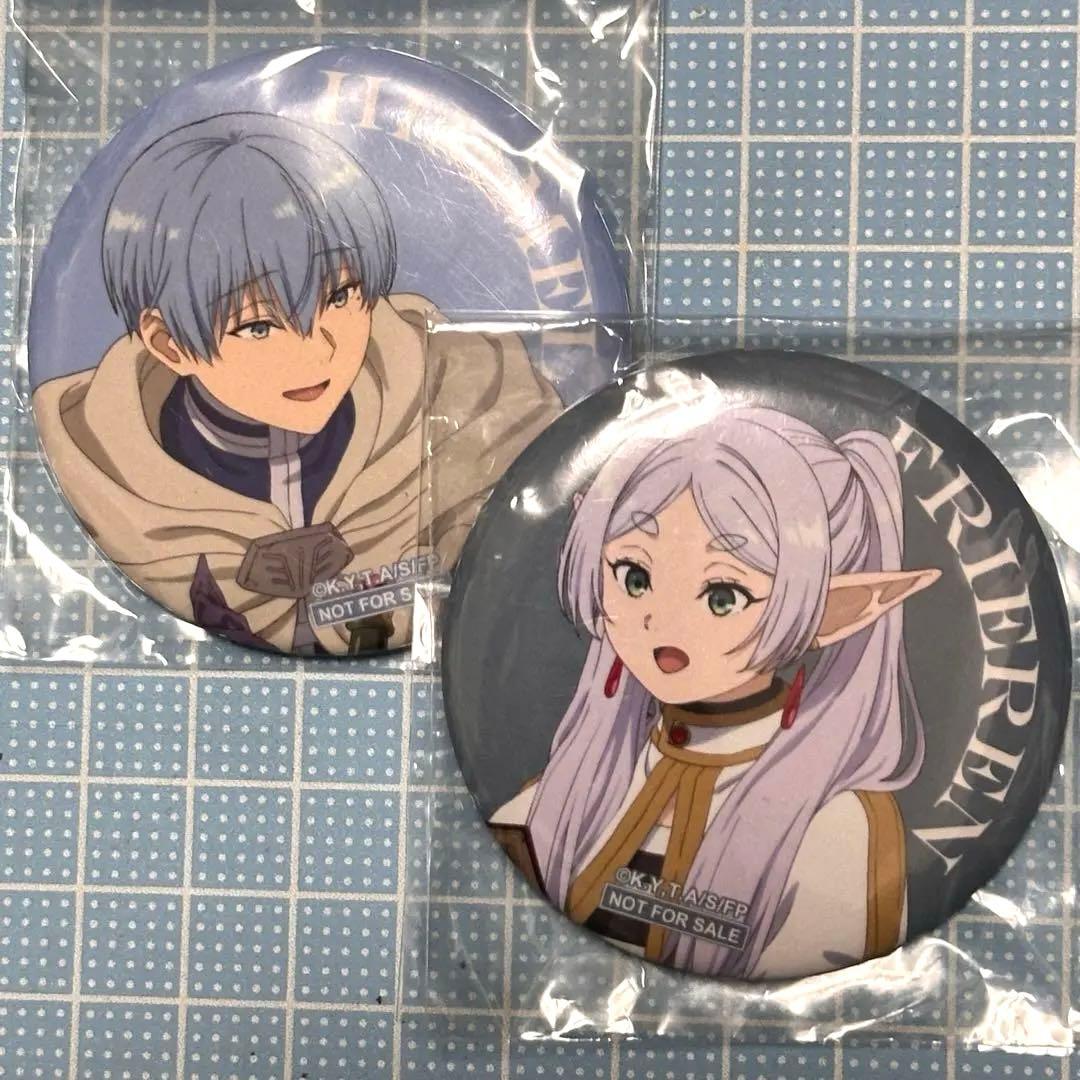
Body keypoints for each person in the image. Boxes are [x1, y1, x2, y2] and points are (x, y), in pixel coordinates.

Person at [33, 112, 561, 655]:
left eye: (339, 297)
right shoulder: (100, 465)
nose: (320, 352)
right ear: (170, 345)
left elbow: (516, 532)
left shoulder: (472, 390)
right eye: (259, 327)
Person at [490, 400, 941, 979]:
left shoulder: (835, 827)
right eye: (635, 576)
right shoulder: (574, 786)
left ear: (836, 610)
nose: (663, 622)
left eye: (723, 596)